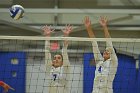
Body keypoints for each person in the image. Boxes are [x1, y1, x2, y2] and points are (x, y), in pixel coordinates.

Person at [84, 16, 118, 93]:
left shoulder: (113, 62)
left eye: (108, 51)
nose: (106, 51)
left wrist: (104, 27)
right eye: (105, 50)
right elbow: (94, 43)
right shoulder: (99, 61)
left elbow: (109, 44)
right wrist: (88, 28)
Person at [42, 25, 72, 93]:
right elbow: (47, 52)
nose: (56, 59)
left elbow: (64, 50)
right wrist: (47, 36)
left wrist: (66, 35)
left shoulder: (65, 69)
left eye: (59, 58)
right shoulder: (49, 69)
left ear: (62, 62)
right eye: (55, 58)